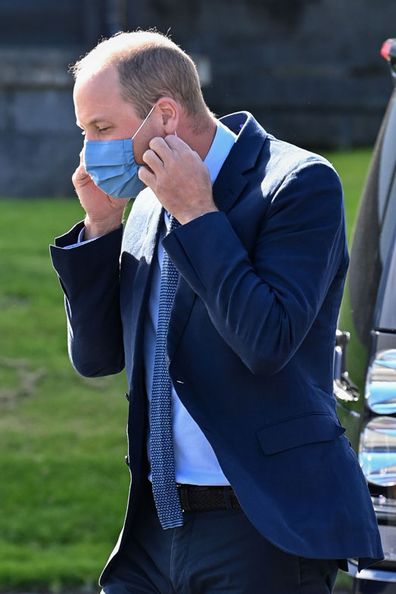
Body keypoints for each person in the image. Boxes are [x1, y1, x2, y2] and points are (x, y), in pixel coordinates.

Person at [50, 30, 383, 594]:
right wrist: (103, 227)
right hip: (153, 532)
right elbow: (97, 356)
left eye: (101, 129)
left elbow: (266, 342)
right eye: (84, 133)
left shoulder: (298, 184)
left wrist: (200, 215)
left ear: (164, 116)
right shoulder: (144, 201)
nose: (89, 152)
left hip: (263, 529)